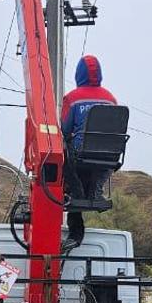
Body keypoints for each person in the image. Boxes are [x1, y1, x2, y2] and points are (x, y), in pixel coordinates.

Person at [60, 55, 117, 251]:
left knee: (62, 152)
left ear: (79, 74)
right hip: (107, 158)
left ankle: (76, 193)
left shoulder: (72, 98)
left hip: (79, 157)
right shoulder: (111, 99)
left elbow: (65, 130)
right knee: (95, 166)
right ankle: (96, 191)